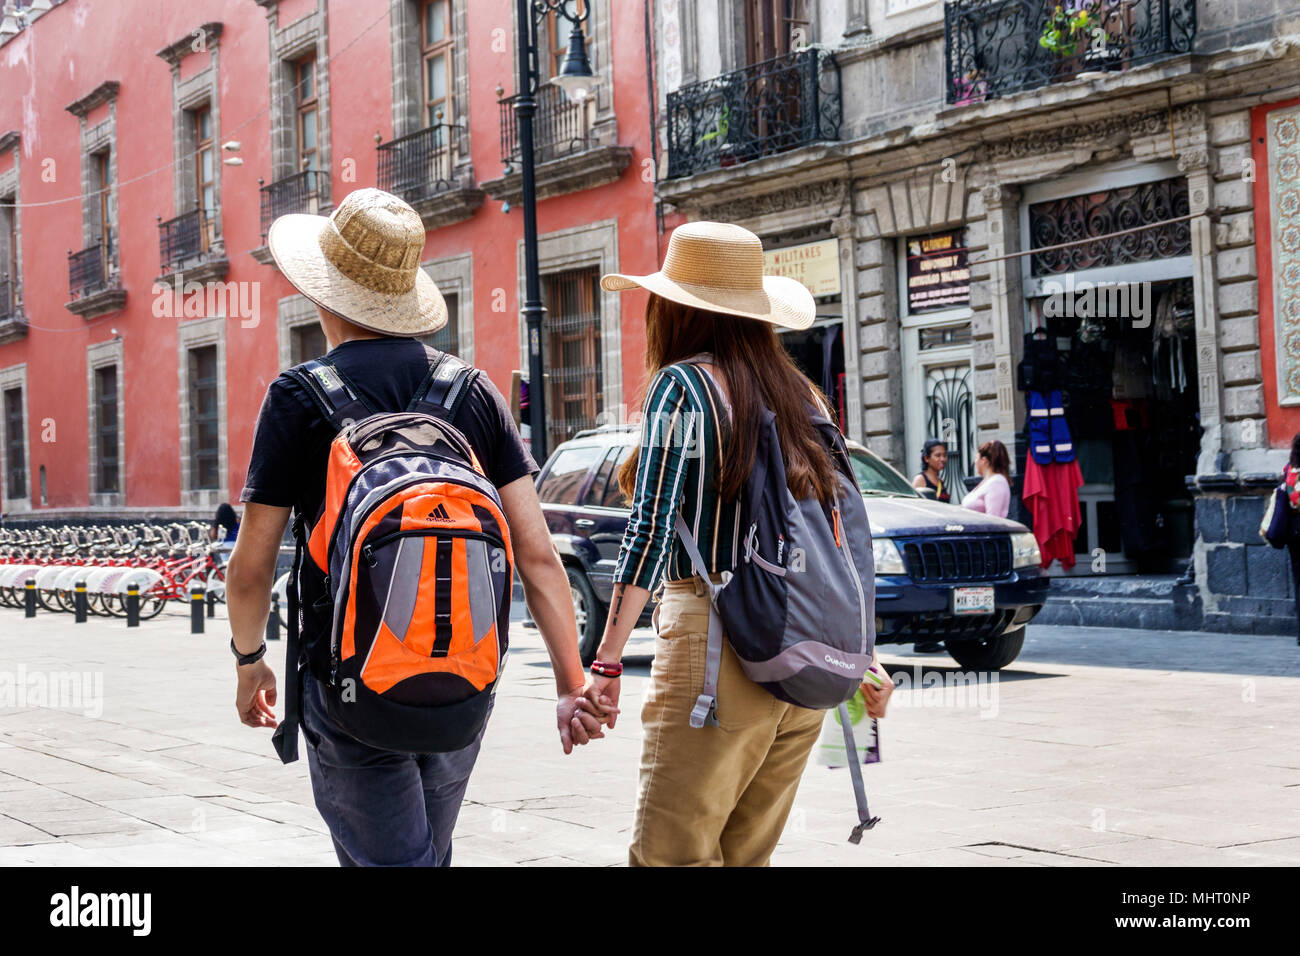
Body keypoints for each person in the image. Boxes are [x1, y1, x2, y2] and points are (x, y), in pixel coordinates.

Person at [225, 188, 609, 867]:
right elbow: (537, 556)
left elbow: (252, 566)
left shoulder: (299, 397)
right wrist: (569, 683)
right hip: (463, 685)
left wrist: (249, 661)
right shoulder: (473, 392)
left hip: (348, 683)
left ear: (324, 294)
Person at [579, 221, 894, 867]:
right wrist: (865, 653)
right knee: (747, 858)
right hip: (805, 655)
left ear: (673, 307)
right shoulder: (804, 395)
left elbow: (650, 528)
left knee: (671, 856)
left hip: (715, 644)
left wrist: (607, 661)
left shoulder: (683, 388)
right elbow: (842, 538)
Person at [962, 440, 1012, 518]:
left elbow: (993, 519)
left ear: (984, 461)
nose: (975, 462)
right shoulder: (987, 482)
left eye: (976, 458)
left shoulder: (997, 483)